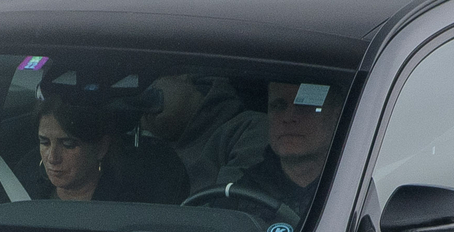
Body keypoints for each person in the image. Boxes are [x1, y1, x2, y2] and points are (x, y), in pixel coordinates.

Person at [214, 80, 341, 220]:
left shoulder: (358, 189)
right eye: (279, 106)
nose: (288, 117)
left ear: (336, 115)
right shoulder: (239, 197)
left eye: (306, 106)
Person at [143, 75, 267, 193]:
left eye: (149, 85)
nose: (142, 102)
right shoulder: (143, 152)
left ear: (182, 74)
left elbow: (232, 207)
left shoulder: (246, 129)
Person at [37, 97, 116, 201]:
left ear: (101, 147)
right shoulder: (23, 190)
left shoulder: (129, 207)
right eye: (44, 142)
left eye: (68, 144)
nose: (52, 158)